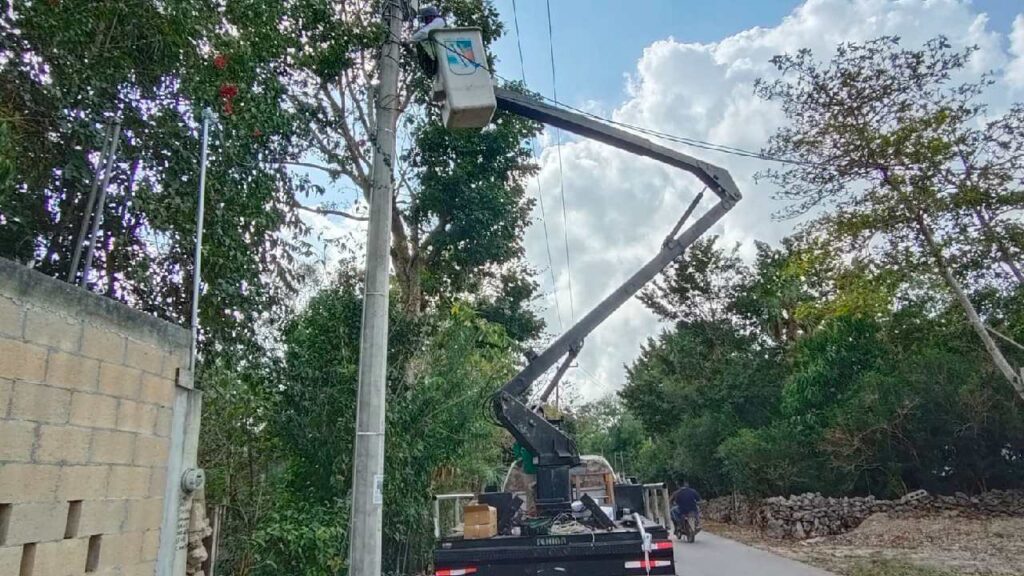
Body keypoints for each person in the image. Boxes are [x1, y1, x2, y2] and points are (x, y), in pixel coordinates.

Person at [408, 5, 448, 76]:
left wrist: (409, 40)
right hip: (439, 55)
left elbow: (425, 32)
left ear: (431, 16)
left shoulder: (439, 21)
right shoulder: (434, 27)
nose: (426, 22)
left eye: (426, 19)